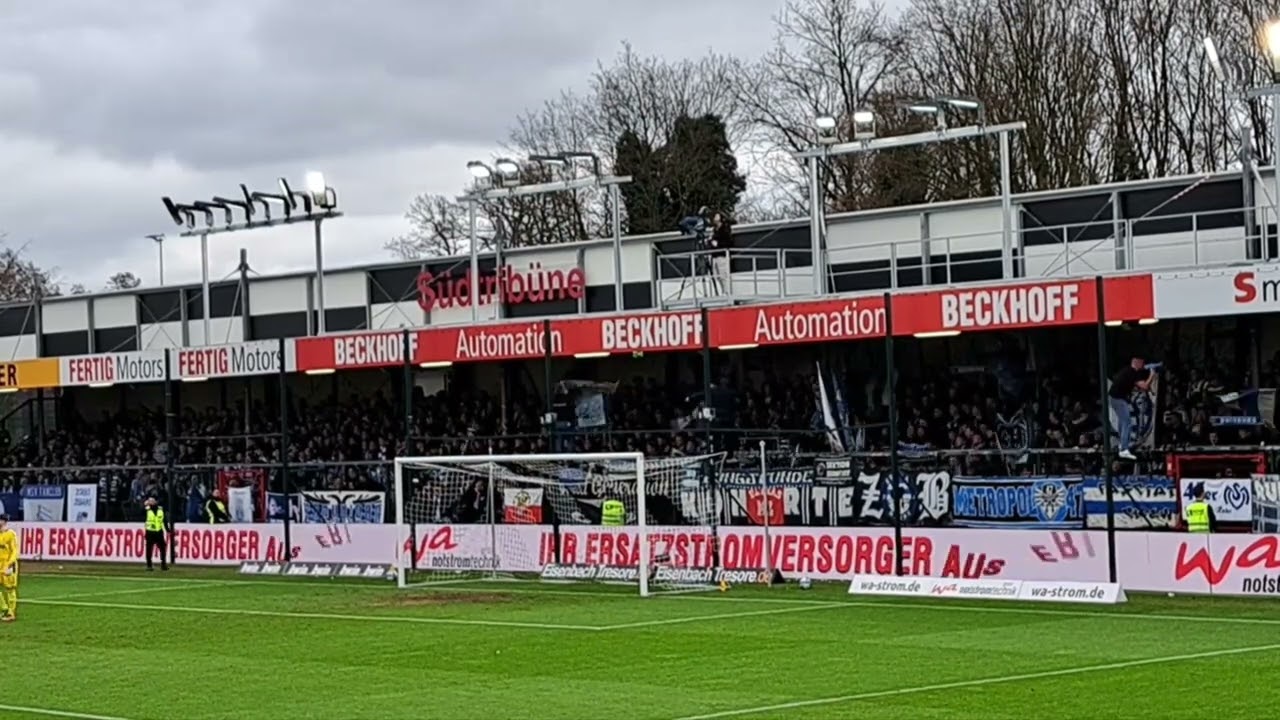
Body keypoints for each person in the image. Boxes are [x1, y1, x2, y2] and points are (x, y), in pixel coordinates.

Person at [1108, 356, 1152, 460]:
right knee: (1126, 422)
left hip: (1116, 398)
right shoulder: (1132, 373)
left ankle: (1121, 444)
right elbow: (1145, 386)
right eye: (1141, 362)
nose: (1143, 364)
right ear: (1136, 362)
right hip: (1118, 399)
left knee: (1122, 422)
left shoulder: (1127, 371)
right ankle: (1124, 449)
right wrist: (1152, 374)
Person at [144, 497, 169, 571]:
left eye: (152, 501)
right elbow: (140, 513)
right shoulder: (146, 509)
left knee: (163, 549)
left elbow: (164, 520)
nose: (151, 502)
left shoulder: (161, 509)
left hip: (159, 532)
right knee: (149, 549)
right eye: (150, 501)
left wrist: (167, 529)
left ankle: (163, 565)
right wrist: (144, 505)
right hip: (150, 532)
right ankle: (149, 565)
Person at [0, 513, 17, 622]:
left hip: (8, 565)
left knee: (10, 589)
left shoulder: (11, 534)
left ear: (4, 521)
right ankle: (4, 608)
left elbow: (14, 550)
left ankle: (11, 612)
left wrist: (10, 564)